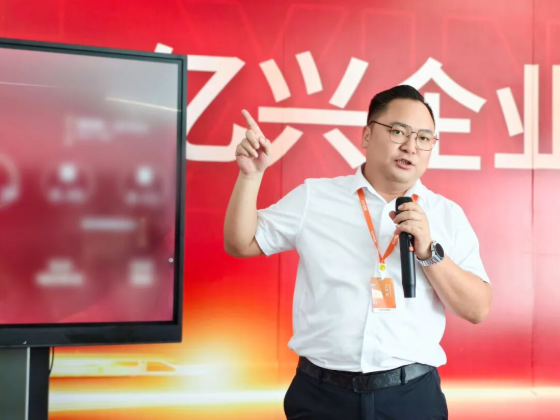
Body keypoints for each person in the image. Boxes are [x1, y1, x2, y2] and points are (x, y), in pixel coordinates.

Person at [224, 85, 492, 420]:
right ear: (367, 135)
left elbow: (477, 309)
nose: (411, 146)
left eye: (424, 138)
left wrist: (428, 252)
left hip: (411, 398)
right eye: (398, 132)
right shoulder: (315, 197)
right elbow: (241, 243)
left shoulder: (446, 215)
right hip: (322, 396)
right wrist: (251, 176)